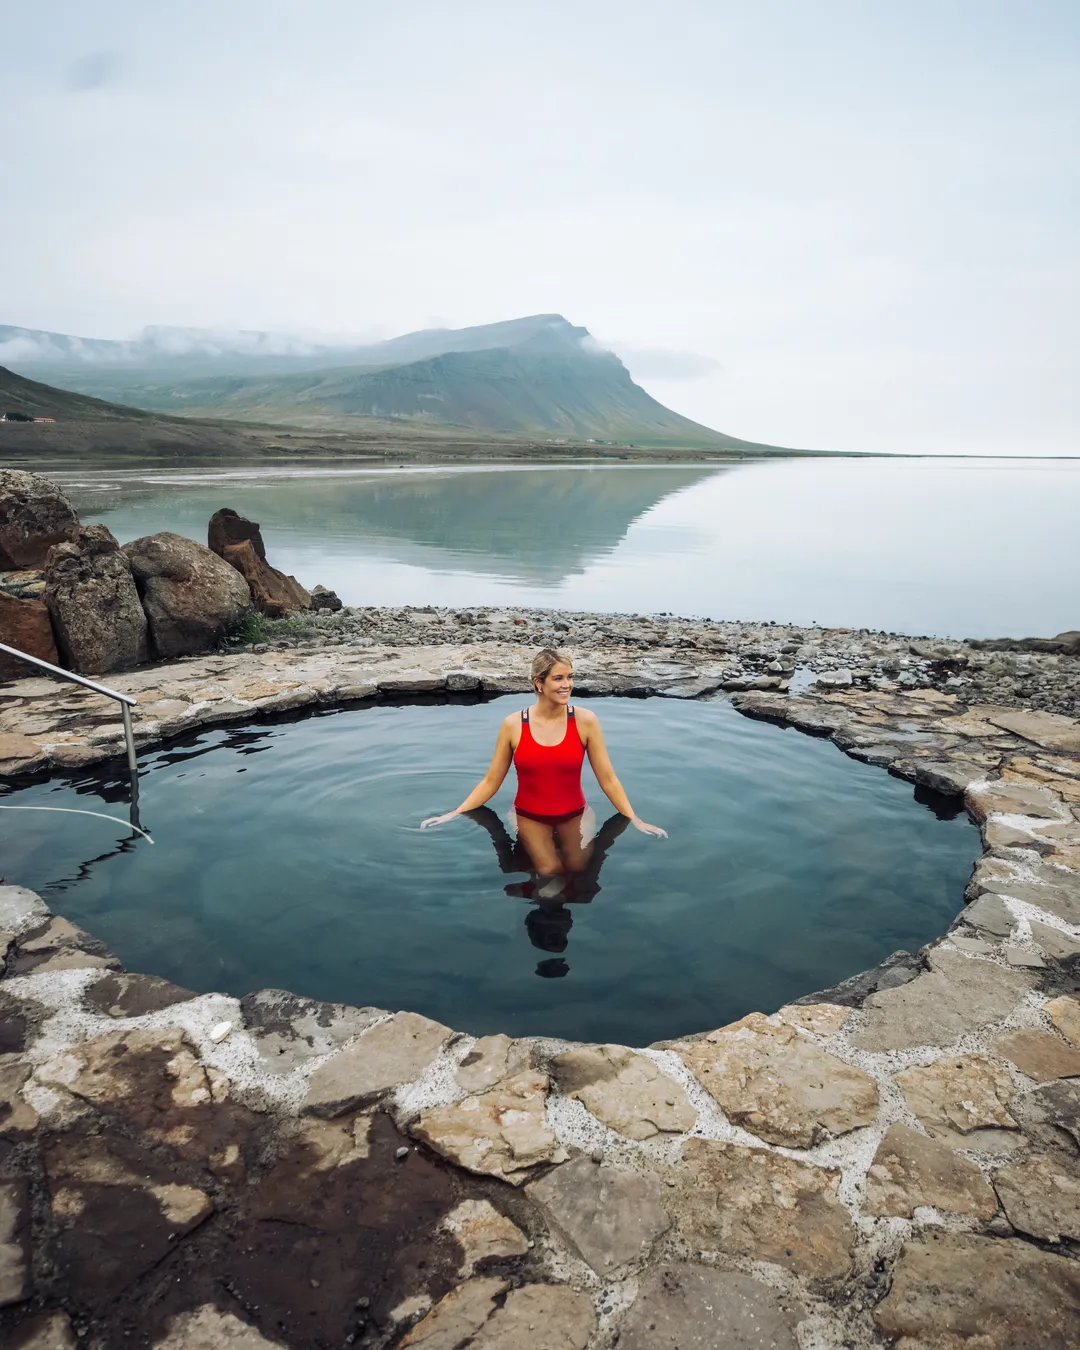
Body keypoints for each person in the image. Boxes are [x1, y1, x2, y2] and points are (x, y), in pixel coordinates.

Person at [420, 649, 666, 883]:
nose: (567, 685)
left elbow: (608, 779)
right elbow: (491, 781)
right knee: (549, 870)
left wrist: (634, 818)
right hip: (529, 816)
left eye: (570, 677)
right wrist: (454, 813)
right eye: (558, 678)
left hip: (575, 814)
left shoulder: (585, 721)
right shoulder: (513, 725)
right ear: (539, 683)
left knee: (579, 867)